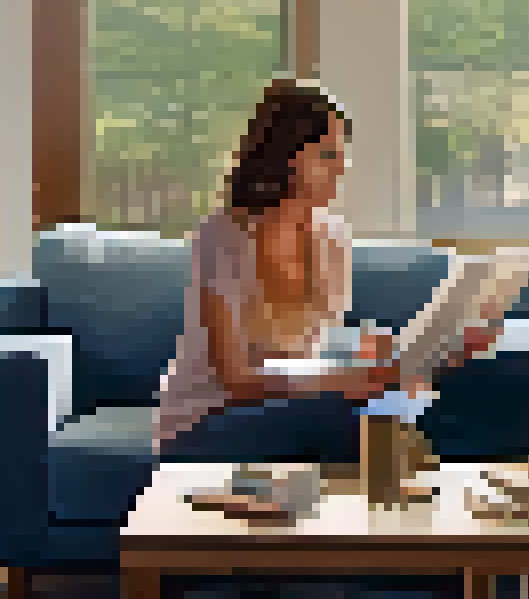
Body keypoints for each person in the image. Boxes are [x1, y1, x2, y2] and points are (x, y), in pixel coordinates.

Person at [155, 78, 505, 459]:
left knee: (416, 408)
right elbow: (235, 379)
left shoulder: (333, 238)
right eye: (326, 155)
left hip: (291, 405)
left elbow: (315, 348)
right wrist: (336, 379)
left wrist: (435, 353)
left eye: (343, 153)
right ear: (283, 154)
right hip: (208, 416)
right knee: (352, 423)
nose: (341, 168)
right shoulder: (223, 235)